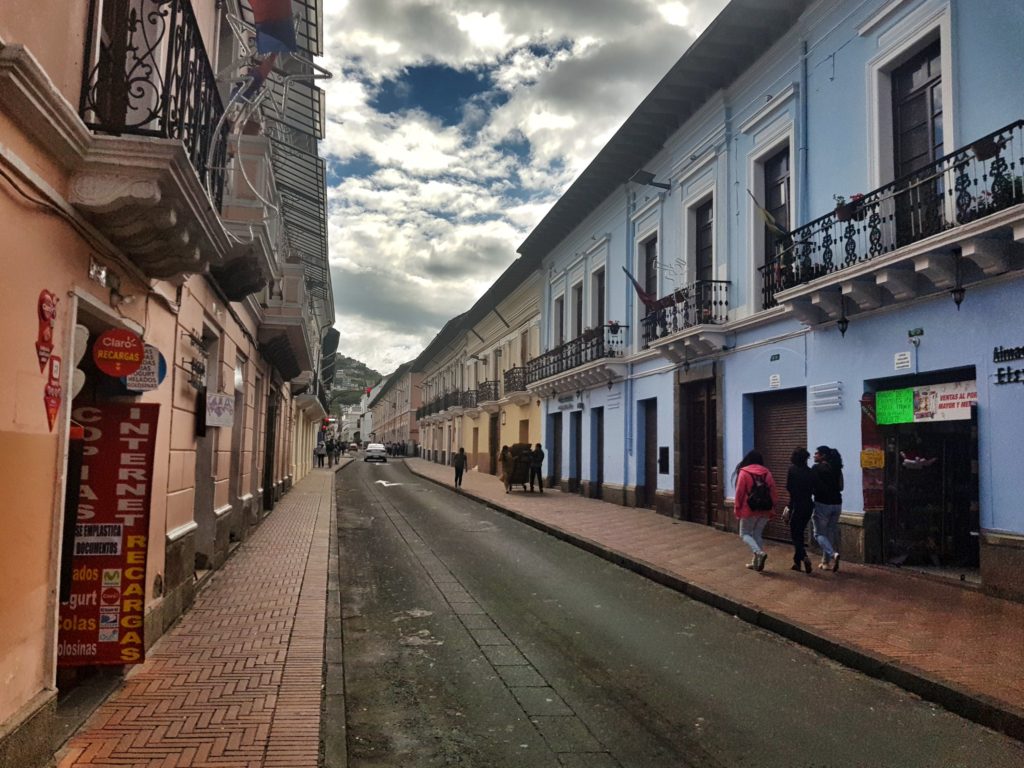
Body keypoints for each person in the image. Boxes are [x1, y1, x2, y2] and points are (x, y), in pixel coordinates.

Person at [732, 449, 777, 571]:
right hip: (765, 509)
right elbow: (773, 491)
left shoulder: (744, 472)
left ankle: (759, 553)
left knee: (745, 534)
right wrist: (773, 507)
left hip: (749, 509)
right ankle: (756, 562)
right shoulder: (767, 473)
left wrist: (737, 507)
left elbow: (739, 492)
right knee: (757, 534)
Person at [811, 445, 844, 572]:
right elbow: (841, 487)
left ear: (823, 456)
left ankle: (832, 554)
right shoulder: (837, 468)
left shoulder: (816, 468)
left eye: (816, 453)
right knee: (829, 532)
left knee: (818, 533)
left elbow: (813, 485)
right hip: (837, 503)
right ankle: (825, 562)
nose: (814, 456)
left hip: (822, 503)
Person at [786, 447, 815, 574]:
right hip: (808, 505)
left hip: (797, 505)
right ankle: (796, 563)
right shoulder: (810, 472)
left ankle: (803, 556)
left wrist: (790, 507)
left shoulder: (792, 470)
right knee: (800, 533)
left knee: (795, 534)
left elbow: (789, 488)